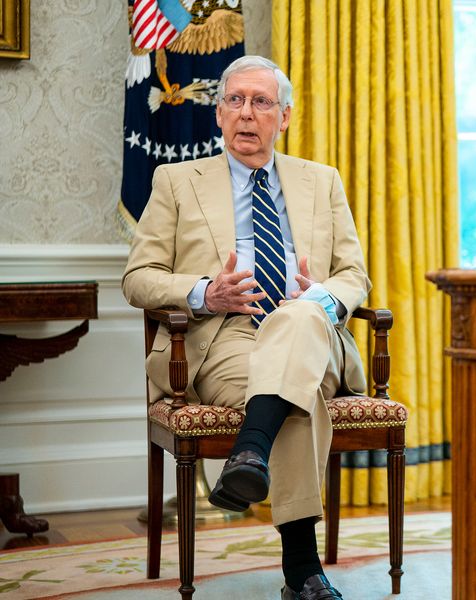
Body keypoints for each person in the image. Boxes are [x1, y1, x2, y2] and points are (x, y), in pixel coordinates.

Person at [123, 55, 367, 600]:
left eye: (261, 102)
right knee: (294, 396)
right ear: (218, 114)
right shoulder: (176, 181)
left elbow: (355, 275)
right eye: (234, 100)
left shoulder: (321, 181)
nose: (246, 114)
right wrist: (203, 292)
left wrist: (321, 298)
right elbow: (138, 278)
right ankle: (302, 573)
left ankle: (249, 452)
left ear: (284, 116)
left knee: (301, 318)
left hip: (310, 333)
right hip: (223, 338)